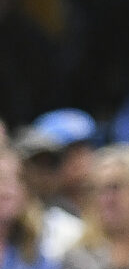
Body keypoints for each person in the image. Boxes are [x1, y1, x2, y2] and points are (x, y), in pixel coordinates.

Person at [15, 109, 95, 257]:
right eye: (71, 154)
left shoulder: (99, 204)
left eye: (84, 150)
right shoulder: (15, 216)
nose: (80, 162)